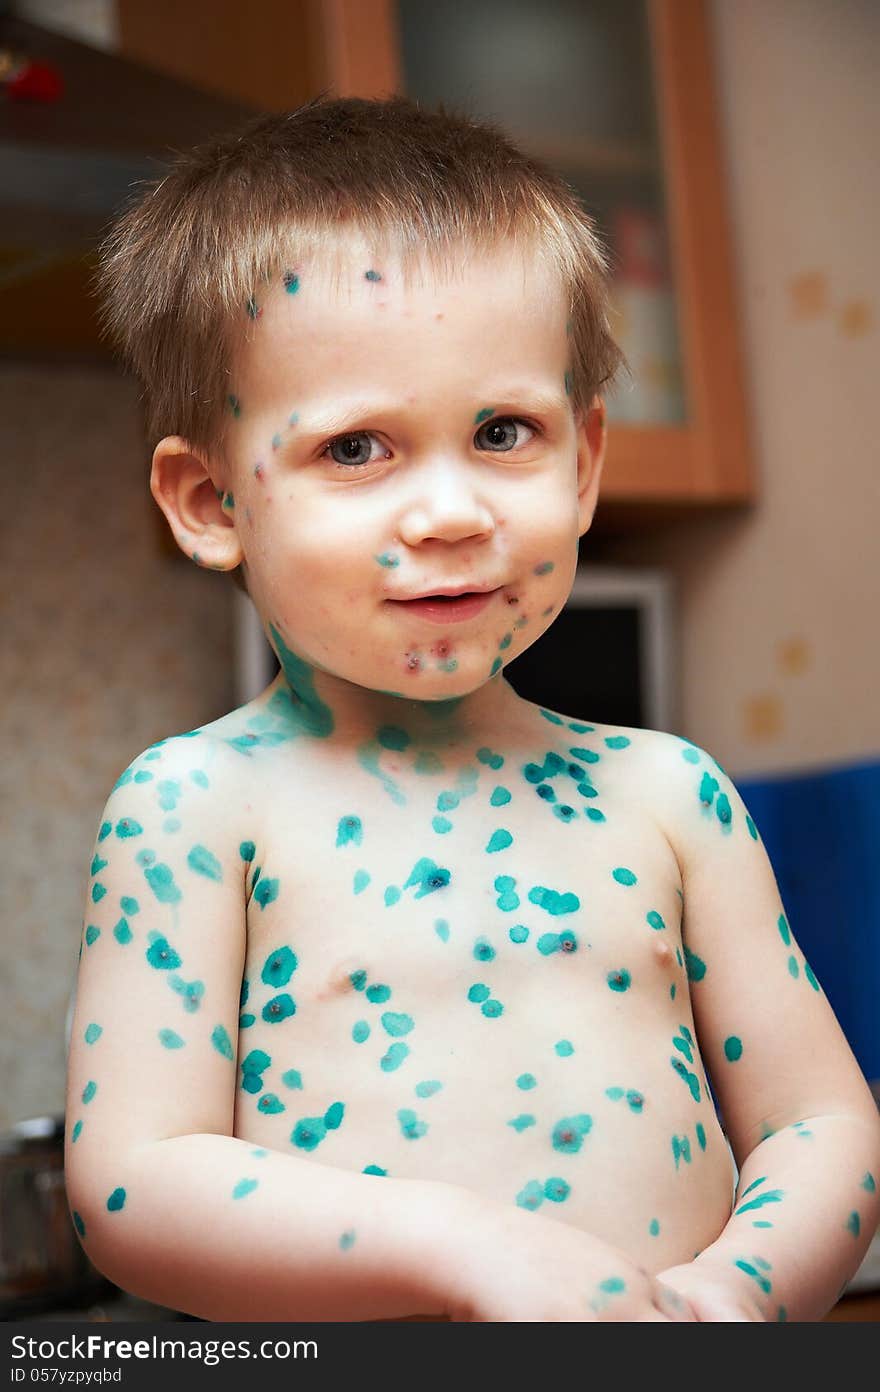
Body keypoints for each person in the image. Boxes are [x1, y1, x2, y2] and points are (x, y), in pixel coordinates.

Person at [65, 95, 880, 1323]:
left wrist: (729, 1302)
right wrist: (463, 1252)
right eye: (355, 449)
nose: (450, 512)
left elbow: (823, 1121)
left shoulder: (669, 795)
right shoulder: (195, 807)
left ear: (585, 462)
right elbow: (132, 1185)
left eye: (504, 432)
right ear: (211, 503)